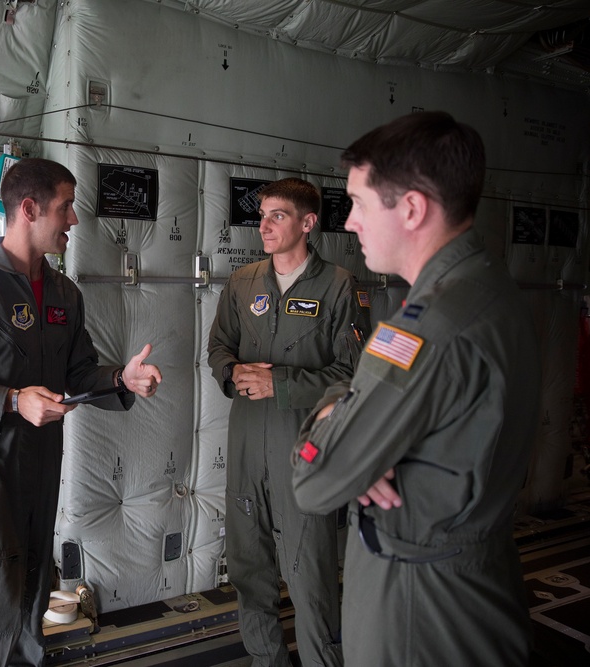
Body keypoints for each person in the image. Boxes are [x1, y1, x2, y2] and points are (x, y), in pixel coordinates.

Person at [292, 111, 540, 666]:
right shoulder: (491, 290)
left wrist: (337, 411)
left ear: (411, 208)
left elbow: (315, 481)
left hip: (418, 613)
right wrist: (352, 418)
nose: (349, 222)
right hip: (475, 590)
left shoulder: (429, 325)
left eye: (357, 202)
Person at [0, 157, 162, 667]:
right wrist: (8, 400)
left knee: (32, 600)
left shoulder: (65, 293)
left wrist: (119, 379)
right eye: (65, 208)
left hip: (42, 471)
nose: (73, 221)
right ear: (29, 208)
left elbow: (80, 370)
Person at [207, 177, 366, 667]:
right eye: (263, 215)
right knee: (250, 571)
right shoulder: (243, 282)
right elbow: (218, 348)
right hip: (246, 446)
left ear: (307, 222)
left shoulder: (339, 286)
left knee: (310, 577)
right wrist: (232, 371)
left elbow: (355, 375)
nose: (264, 224)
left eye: (277, 215)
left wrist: (285, 384)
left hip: (303, 450)